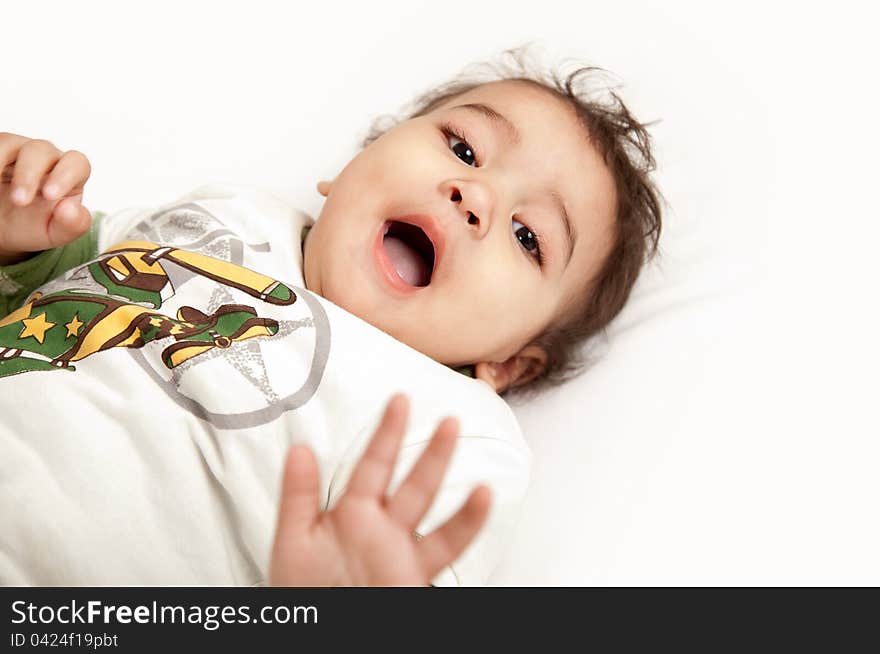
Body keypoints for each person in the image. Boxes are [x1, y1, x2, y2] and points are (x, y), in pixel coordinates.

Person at [0, 47, 662, 586]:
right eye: (463, 148)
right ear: (352, 166)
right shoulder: (226, 212)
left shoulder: (453, 431)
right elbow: (64, 291)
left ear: (511, 360)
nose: (475, 194)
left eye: (527, 236)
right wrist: (26, 231)